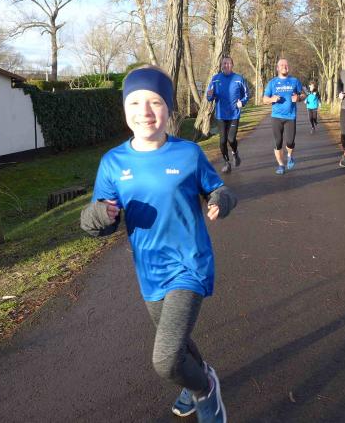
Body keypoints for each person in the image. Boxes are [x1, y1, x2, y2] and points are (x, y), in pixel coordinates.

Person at [80, 66, 236, 423]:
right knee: (176, 343)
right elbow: (95, 222)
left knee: (165, 359)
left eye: (155, 102)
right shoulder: (113, 163)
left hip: (190, 263)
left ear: (169, 109)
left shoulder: (188, 153)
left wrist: (220, 201)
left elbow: (220, 189)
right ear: (124, 108)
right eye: (135, 102)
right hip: (149, 270)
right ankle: (194, 377)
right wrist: (100, 216)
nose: (145, 111)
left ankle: (204, 390)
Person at [206, 56, 249, 174]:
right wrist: (209, 95)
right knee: (222, 141)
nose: (226, 65)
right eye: (224, 63)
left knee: (231, 139)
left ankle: (235, 153)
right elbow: (209, 97)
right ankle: (226, 162)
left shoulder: (239, 79)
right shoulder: (215, 79)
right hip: (221, 115)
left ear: (232, 65)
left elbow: (246, 94)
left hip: (234, 114)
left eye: (229, 63)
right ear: (221, 65)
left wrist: (242, 102)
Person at [262, 58, 305, 175]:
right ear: (277, 68)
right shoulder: (272, 83)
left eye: (286, 65)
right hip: (276, 116)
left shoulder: (294, 81)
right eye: (281, 65)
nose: (284, 66)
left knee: (290, 142)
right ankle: (281, 165)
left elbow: (303, 95)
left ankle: (290, 156)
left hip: (291, 116)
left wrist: (298, 98)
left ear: (288, 67)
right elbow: (264, 99)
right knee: (278, 142)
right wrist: (271, 99)